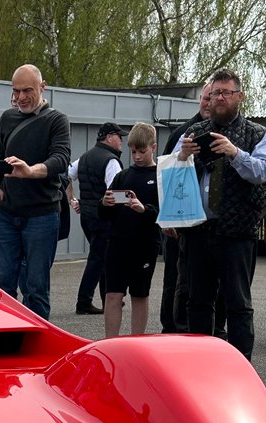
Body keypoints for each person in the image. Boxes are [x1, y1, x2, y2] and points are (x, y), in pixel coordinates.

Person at [177, 69, 266, 359]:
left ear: (239, 97)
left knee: (238, 303)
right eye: (215, 92)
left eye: (225, 93)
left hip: (236, 231)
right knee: (198, 302)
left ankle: (241, 365)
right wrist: (182, 156)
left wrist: (235, 153)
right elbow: (171, 176)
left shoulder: (258, 134)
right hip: (198, 229)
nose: (218, 98)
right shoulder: (192, 133)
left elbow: (263, 171)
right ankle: (202, 363)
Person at [0, 64, 71, 320]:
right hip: (6, 214)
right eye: (16, 91)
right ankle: (4, 342)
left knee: (36, 288)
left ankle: (38, 348)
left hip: (41, 216)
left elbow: (61, 158)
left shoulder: (57, 120)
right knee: (1, 286)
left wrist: (31, 171)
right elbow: (0, 155)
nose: (21, 97)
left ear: (42, 87)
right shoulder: (7, 117)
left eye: (27, 91)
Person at [159, 82, 213, 333]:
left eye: (213, 97)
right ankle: (171, 326)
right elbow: (167, 174)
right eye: (204, 98)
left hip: (209, 223)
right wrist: (168, 219)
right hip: (180, 220)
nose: (208, 103)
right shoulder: (182, 133)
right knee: (175, 276)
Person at [99, 123, 159, 336]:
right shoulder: (122, 176)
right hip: (117, 244)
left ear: (153, 147)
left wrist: (144, 210)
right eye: (133, 152)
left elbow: (165, 213)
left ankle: (137, 341)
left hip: (145, 246)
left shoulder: (160, 176)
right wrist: (105, 203)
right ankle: (111, 343)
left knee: (140, 295)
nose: (137, 157)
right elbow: (105, 214)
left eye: (142, 152)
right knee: (113, 295)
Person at [64, 122, 124, 314]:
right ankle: (84, 301)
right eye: (119, 137)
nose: (121, 141)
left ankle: (109, 298)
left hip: (86, 216)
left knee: (103, 257)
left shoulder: (85, 157)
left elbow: (65, 176)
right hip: (103, 216)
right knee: (99, 259)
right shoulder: (111, 161)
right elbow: (115, 193)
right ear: (108, 138)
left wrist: (73, 199)